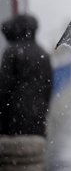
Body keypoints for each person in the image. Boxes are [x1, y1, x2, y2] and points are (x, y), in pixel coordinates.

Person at [0, 14, 53, 170]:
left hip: (13, 126)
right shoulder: (43, 53)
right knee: (34, 163)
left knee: (13, 164)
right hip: (37, 124)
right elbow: (48, 89)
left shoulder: (12, 52)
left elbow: (3, 90)